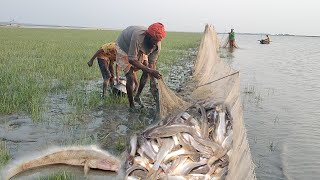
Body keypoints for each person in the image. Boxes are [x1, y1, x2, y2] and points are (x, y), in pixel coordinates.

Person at [115, 22, 166, 111]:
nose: (155, 43)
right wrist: (150, 71)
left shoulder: (157, 45)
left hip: (140, 48)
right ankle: (131, 105)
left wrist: (153, 81)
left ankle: (137, 96)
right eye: (154, 40)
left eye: (157, 41)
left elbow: (152, 63)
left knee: (147, 71)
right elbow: (132, 59)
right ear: (148, 36)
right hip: (124, 46)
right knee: (130, 76)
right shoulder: (138, 37)